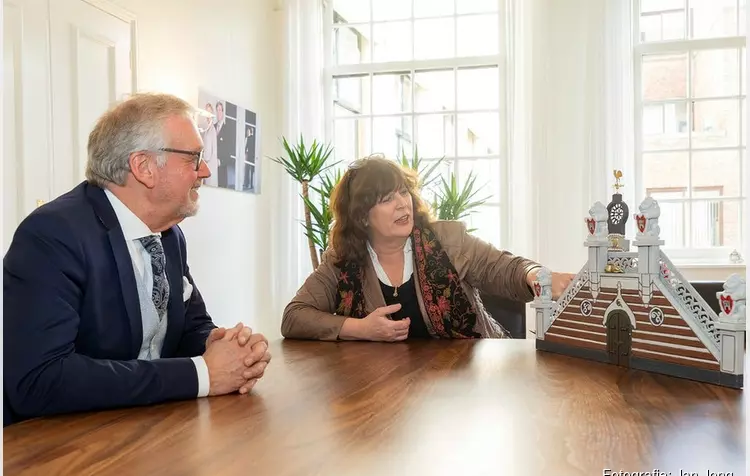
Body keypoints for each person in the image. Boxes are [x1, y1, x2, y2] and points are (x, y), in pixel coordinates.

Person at [3, 93, 271, 426]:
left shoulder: (170, 234)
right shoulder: (52, 235)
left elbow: (189, 325)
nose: (205, 170)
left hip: (149, 435)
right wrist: (201, 373)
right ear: (144, 167)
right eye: (194, 157)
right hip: (64, 452)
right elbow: (40, 380)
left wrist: (224, 348)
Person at [281, 156, 575, 341]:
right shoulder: (341, 260)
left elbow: (504, 267)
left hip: (469, 382)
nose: (401, 203)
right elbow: (294, 316)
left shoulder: (447, 240)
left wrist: (535, 274)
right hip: (384, 392)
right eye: (386, 198)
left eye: (402, 191)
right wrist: (358, 329)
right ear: (361, 216)